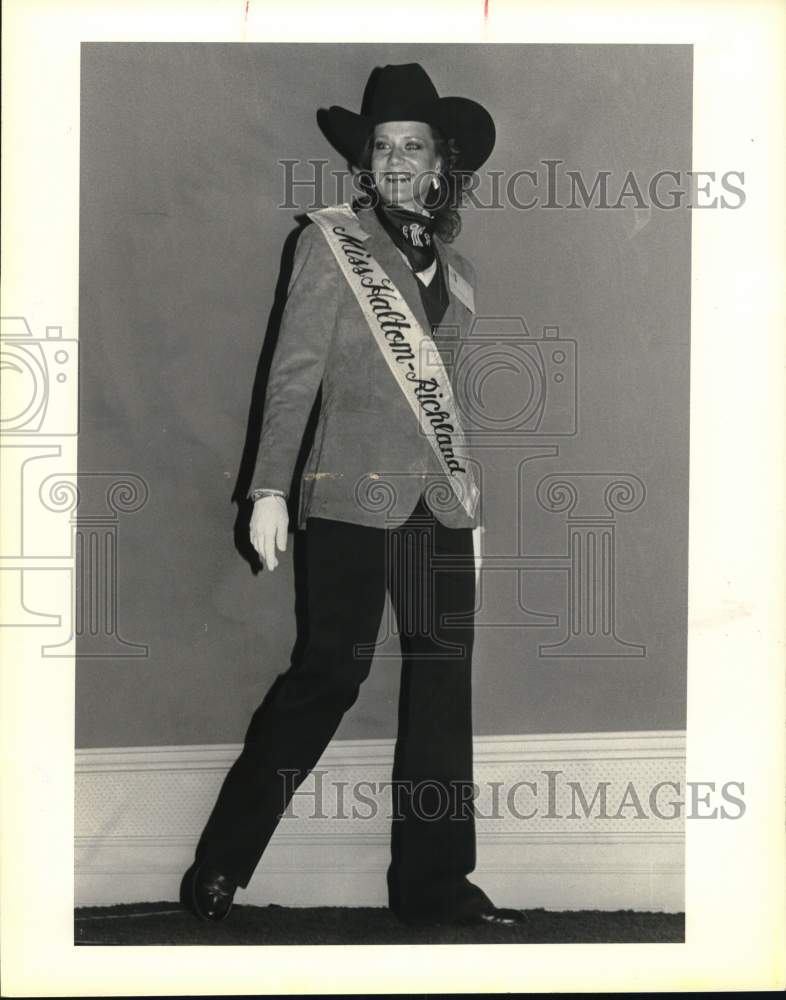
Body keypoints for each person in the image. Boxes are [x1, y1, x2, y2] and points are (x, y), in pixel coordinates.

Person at [183, 63, 525, 928]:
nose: (398, 160)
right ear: (367, 163)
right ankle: (220, 864)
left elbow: (448, 399)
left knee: (442, 684)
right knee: (328, 674)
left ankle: (434, 884)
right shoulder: (331, 244)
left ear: (441, 162)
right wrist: (268, 487)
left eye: (414, 145)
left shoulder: (461, 273)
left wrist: (471, 505)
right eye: (383, 147)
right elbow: (292, 374)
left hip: (440, 505)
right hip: (347, 497)